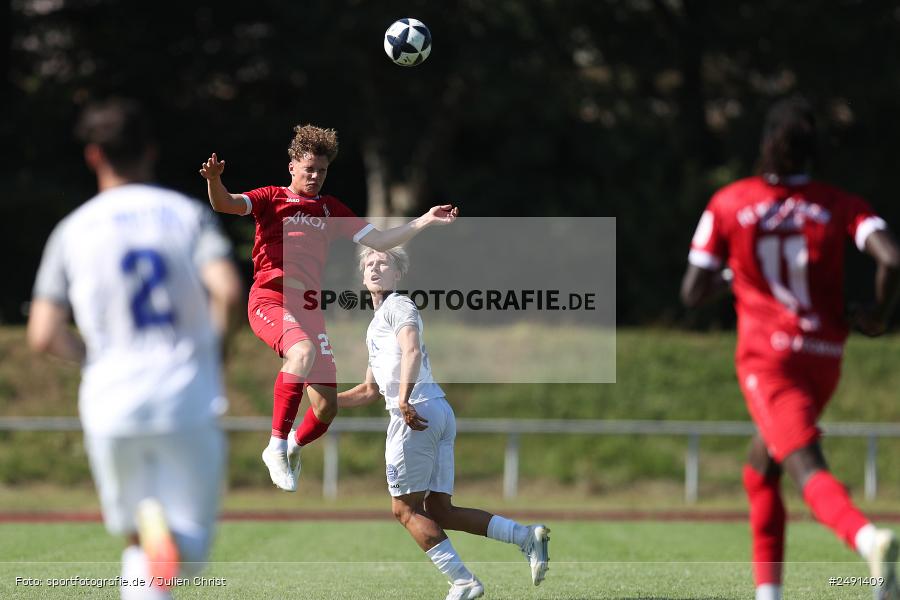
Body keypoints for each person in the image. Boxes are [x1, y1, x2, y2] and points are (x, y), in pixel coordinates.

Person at [681, 96, 900, 600]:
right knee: (760, 469)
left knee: (805, 465)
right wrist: (877, 315)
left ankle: (868, 539)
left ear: (765, 144)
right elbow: (891, 258)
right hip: (824, 357)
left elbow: (692, 291)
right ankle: (769, 593)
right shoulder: (840, 204)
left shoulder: (730, 202)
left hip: (769, 360)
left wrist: (735, 273)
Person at [28, 98, 242, 600]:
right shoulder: (186, 215)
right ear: (150, 150)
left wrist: (91, 360)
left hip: (109, 402)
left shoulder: (72, 230)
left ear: (93, 155)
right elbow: (229, 292)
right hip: (185, 395)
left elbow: (42, 334)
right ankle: (169, 538)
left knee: (138, 544)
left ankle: (153, 532)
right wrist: (214, 352)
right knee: (187, 552)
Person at [199, 126, 458, 492]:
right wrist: (214, 181)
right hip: (269, 299)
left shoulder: (330, 209)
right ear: (292, 166)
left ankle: (292, 445)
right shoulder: (271, 197)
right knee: (301, 352)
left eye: (321, 171)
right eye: (309, 169)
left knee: (326, 407)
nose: (315, 176)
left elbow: (381, 239)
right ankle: (275, 445)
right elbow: (225, 203)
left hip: (307, 308)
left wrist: (425, 219)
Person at [337, 247, 550, 600]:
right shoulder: (376, 323)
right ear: (362, 276)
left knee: (404, 510)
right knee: (439, 510)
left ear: (397, 274)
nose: (375, 267)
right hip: (434, 410)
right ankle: (525, 536)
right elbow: (370, 390)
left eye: (383, 263)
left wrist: (403, 399)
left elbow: (412, 351)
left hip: (415, 412)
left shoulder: (399, 306)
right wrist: (325, 401)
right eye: (369, 263)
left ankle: (463, 582)